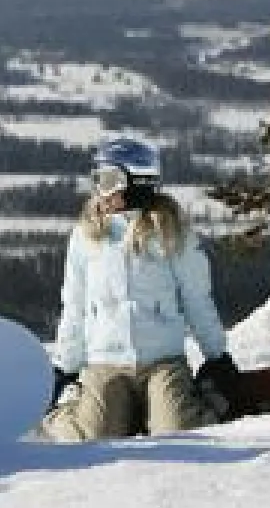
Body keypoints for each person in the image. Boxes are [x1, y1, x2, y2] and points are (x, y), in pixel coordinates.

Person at [41, 137, 242, 442]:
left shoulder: (172, 233)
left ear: (136, 182)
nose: (100, 191)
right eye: (98, 181)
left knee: (178, 434)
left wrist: (216, 357)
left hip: (163, 362)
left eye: (109, 181)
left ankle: (208, 400)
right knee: (92, 438)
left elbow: (197, 299)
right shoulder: (86, 235)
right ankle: (67, 409)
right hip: (105, 364)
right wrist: (65, 367)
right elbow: (75, 305)